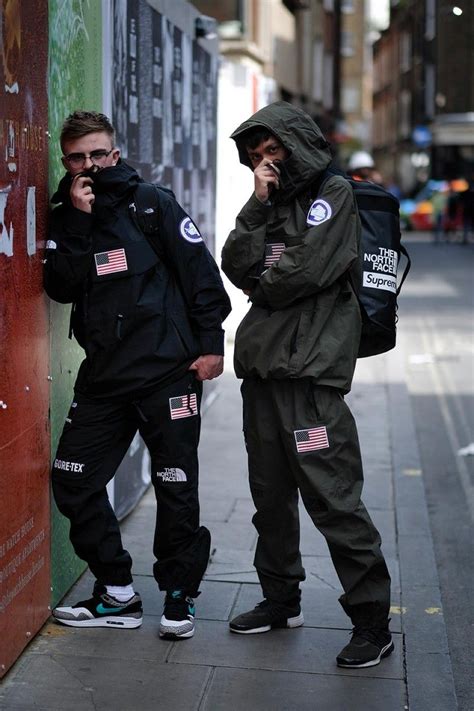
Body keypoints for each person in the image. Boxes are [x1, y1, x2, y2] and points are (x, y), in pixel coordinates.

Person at [44, 111, 231, 639]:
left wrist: (211, 346)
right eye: (78, 157)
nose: (90, 165)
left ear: (116, 153)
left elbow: (201, 275)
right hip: (103, 378)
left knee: (174, 483)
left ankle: (178, 595)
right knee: (73, 479)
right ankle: (118, 593)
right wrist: (78, 221)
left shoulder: (152, 203)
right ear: (66, 161)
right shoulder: (64, 217)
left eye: (98, 154)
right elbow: (61, 286)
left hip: (167, 373)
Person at [221, 101, 393, 669]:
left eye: (273, 150)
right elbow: (235, 260)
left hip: (311, 379)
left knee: (332, 496)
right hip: (264, 375)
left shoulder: (334, 195)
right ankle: (279, 599)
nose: (265, 161)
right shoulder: (271, 201)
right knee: (270, 497)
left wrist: (267, 276)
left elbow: (304, 271)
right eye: (256, 155)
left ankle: (371, 622)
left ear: (296, 143)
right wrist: (259, 203)